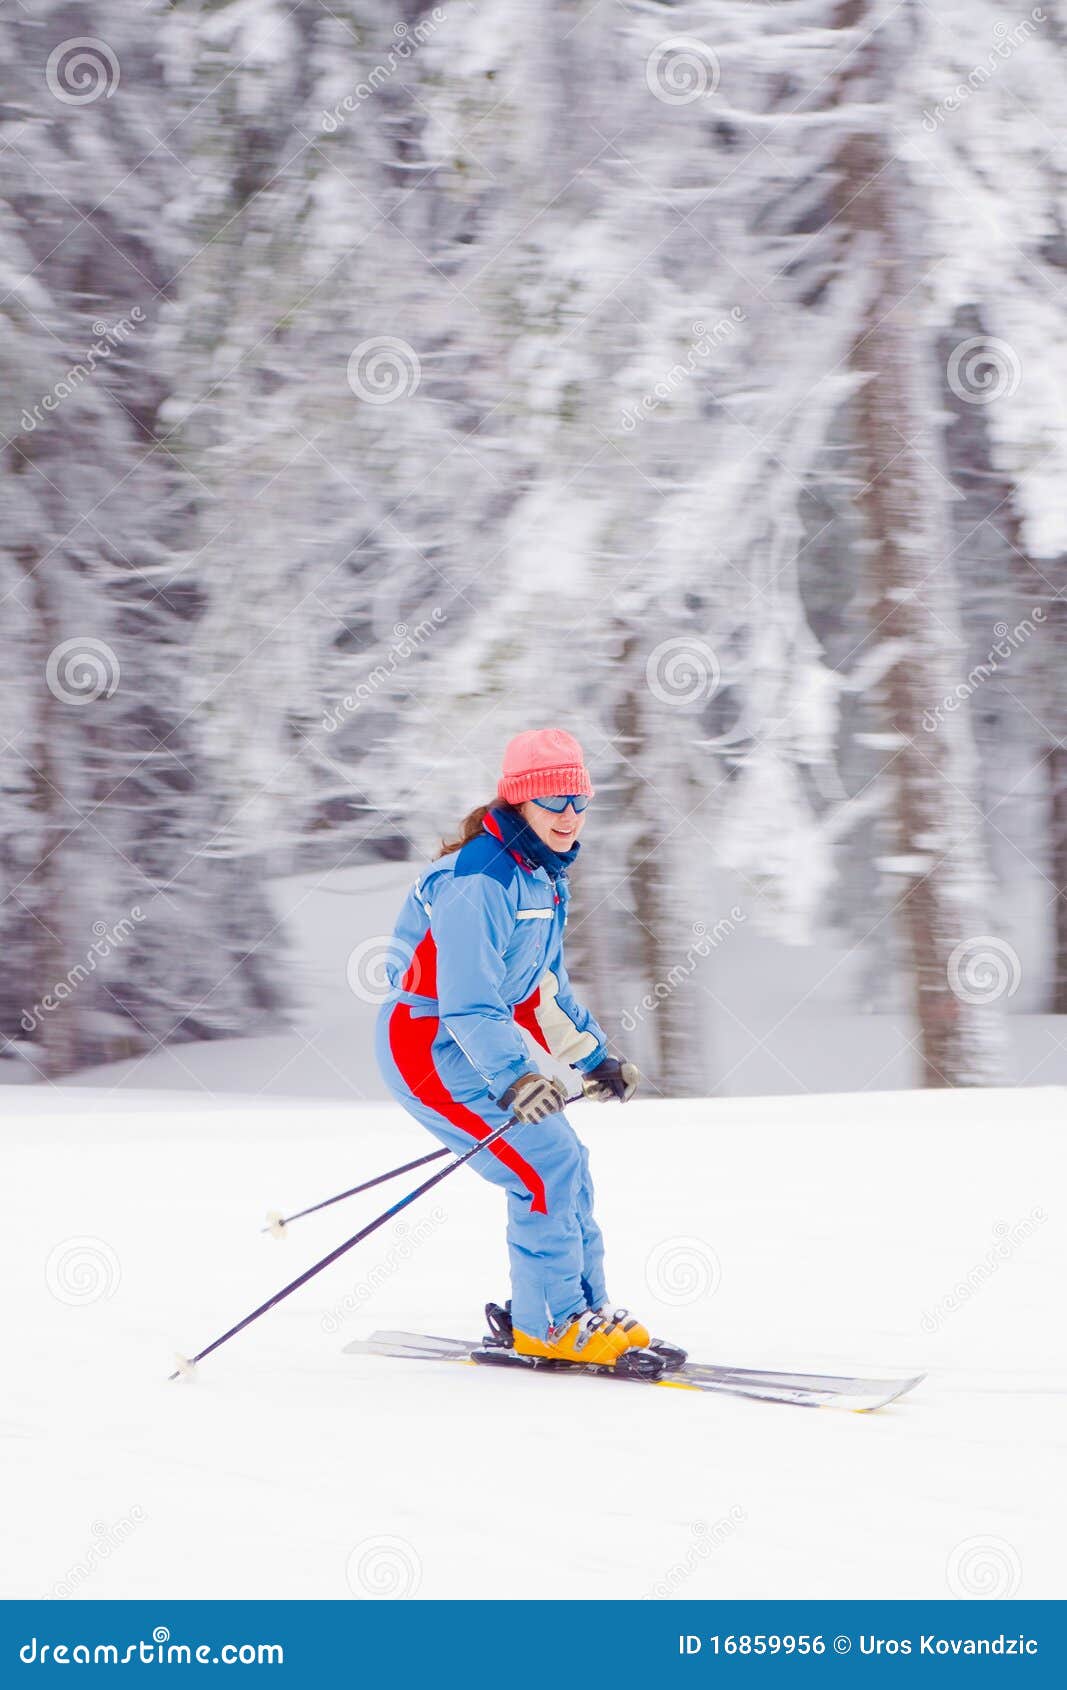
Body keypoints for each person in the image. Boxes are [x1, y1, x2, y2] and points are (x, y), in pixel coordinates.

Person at [376, 727, 650, 1368]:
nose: (570, 815)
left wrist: (594, 1058)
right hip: (429, 1050)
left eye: (579, 799)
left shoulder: (541, 879)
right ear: (520, 803)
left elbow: (538, 989)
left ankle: (582, 1309)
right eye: (553, 801)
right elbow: (468, 999)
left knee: (567, 1159)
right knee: (545, 1162)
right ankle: (549, 1322)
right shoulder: (480, 879)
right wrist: (514, 1078)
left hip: (480, 1045)